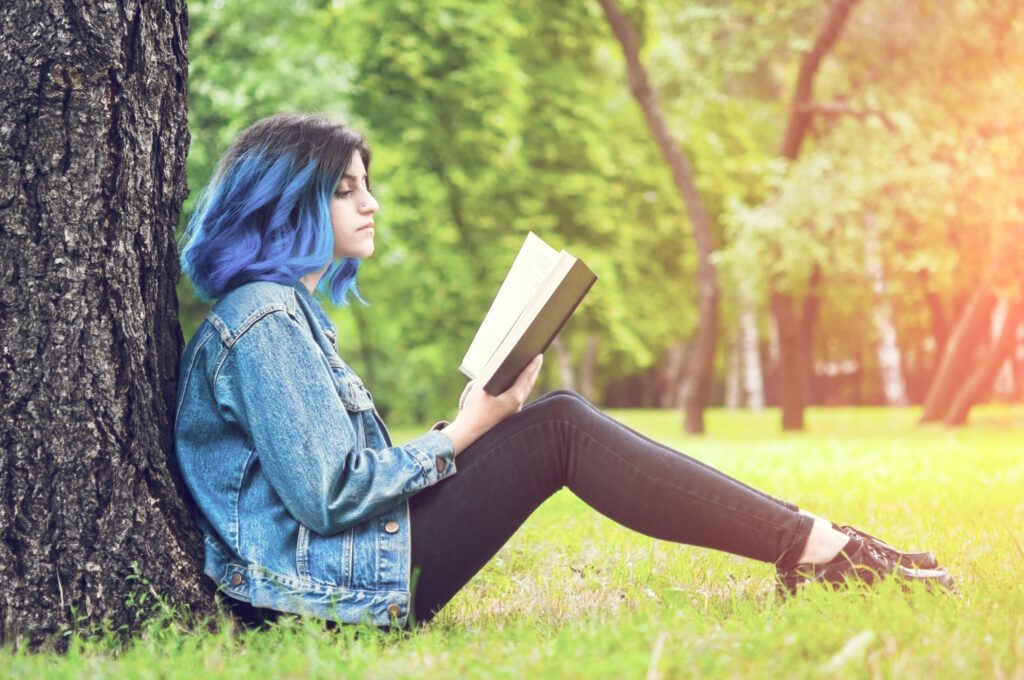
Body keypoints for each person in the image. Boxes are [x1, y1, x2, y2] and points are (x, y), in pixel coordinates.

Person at [174, 113, 953, 629]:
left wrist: (463, 429)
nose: (370, 204)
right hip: (325, 592)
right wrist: (464, 432)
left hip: (345, 569)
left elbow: (330, 478)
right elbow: (329, 493)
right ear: (283, 204)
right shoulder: (265, 319)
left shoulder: (288, 316)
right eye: (345, 191)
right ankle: (821, 550)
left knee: (557, 419)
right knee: (561, 428)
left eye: (367, 183)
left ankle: (822, 544)